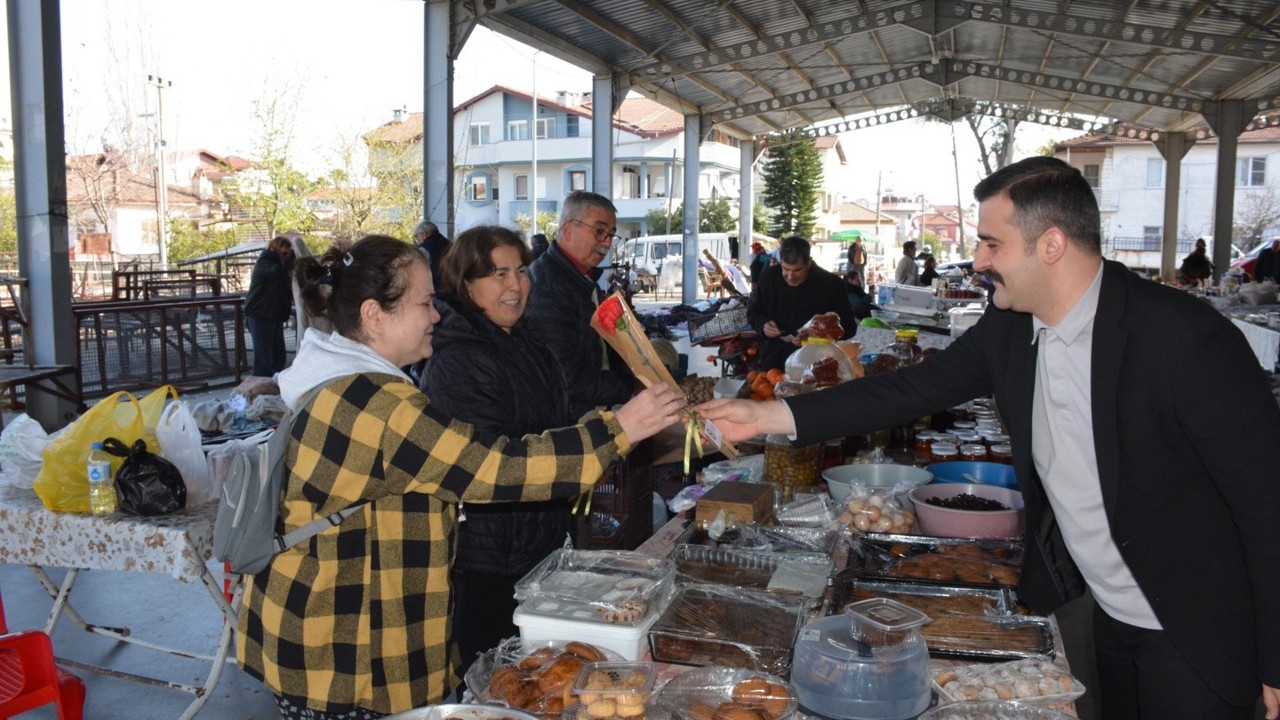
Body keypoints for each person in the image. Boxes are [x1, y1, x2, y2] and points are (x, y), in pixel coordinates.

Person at [699, 156, 1280, 720]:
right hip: (1105, 615)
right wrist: (768, 417)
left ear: (1050, 245)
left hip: (1196, 627)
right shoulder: (1010, 326)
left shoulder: (1185, 339)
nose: (977, 260)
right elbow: (911, 390)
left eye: (991, 244)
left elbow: (1266, 505)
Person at [237, 235, 683, 719]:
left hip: (334, 630)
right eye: (425, 303)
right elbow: (495, 468)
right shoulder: (374, 402)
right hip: (344, 650)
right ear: (373, 314)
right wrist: (620, 430)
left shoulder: (342, 378)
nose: (435, 315)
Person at [420, 225, 579, 681]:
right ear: (466, 285)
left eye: (522, 271)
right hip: (491, 558)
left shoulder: (525, 343)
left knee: (538, 679)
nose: (515, 285)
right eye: (498, 274)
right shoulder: (460, 360)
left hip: (537, 544)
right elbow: (489, 465)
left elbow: (551, 428)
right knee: (495, 682)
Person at [526, 190, 636, 418]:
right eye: (599, 231)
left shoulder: (583, 278)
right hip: (570, 422)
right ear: (567, 229)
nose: (606, 242)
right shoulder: (547, 286)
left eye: (611, 234)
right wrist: (631, 387)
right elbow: (565, 375)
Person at [746, 235, 857, 372]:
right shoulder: (768, 278)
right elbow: (753, 312)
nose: (791, 276)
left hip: (817, 363)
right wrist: (764, 324)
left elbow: (849, 327)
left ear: (808, 263)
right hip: (774, 361)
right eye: (786, 269)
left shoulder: (831, 284)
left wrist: (818, 334)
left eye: (797, 270)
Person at [244, 235, 296, 377]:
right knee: (264, 359)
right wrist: (291, 257)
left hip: (273, 315)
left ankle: (274, 385)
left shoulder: (280, 266)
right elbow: (276, 271)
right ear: (275, 249)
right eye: (284, 254)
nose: (286, 257)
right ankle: (260, 389)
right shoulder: (265, 262)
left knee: (277, 356)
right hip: (259, 314)